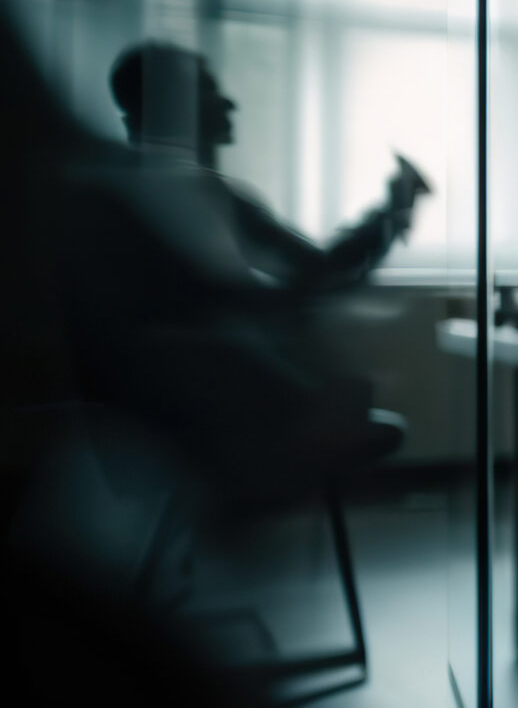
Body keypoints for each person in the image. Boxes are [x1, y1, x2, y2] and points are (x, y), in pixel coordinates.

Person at [65, 42, 428, 494]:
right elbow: (303, 281)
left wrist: (389, 217)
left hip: (152, 410)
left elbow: (315, 274)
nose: (230, 102)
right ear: (171, 103)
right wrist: (391, 216)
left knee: (347, 388)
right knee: (346, 393)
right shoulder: (123, 193)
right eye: (209, 89)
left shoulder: (195, 191)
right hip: (165, 413)